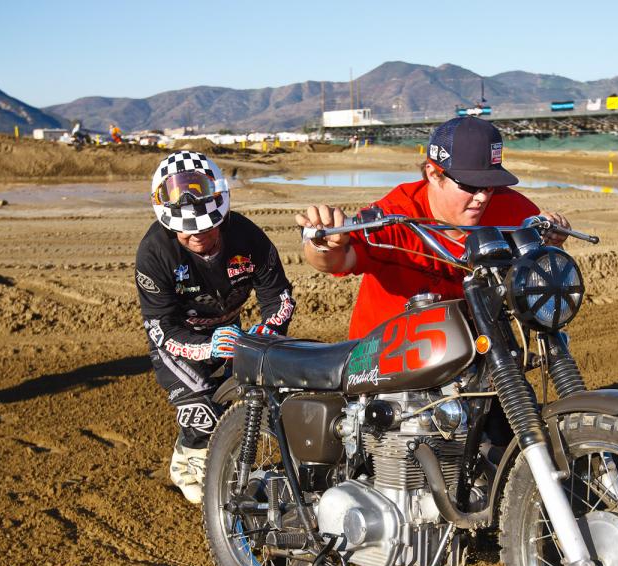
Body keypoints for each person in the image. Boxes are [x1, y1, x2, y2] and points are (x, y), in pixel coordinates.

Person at [295, 117, 568, 340]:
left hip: (476, 354)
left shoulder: (508, 206)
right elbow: (338, 259)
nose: (483, 196)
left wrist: (552, 237)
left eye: (490, 185)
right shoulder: (397, 213)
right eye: (471, 186)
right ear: (433, 174)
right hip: (388, 365)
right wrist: (323, 243)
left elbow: (538, 243)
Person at [136, 151, 296, 502]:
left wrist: (267, 332)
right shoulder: (153, 253)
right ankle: (187, 458)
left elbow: (279, 296)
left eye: (206, 229)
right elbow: (160, 328)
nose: (197, 238)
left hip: (231, 330)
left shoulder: (248, 237)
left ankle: (221, 462)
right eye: (186, 232)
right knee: (206, 413)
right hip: (179, 339)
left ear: (220, 216)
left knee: (255, 398)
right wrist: (207, 347)